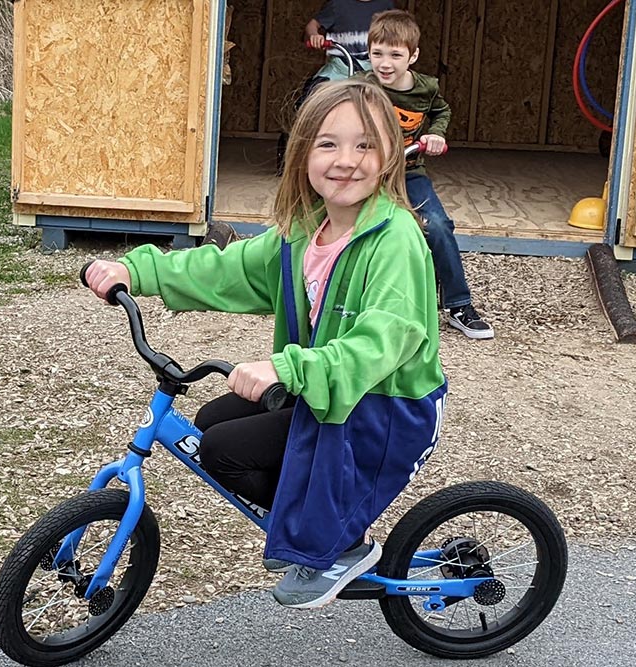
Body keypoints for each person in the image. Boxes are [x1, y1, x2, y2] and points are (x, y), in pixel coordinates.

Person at [84, 78, 447, 609]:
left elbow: (384, 339)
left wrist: (286, 369)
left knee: (223, 451)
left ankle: (337, 543)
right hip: (324, 386)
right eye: (328, 143)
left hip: (382, 405)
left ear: (391, 154)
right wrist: (136, 270)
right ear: (303, 153)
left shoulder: (395, 241)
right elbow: (227, 268)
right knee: (211, 422)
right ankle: (304, 520)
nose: (346, 159)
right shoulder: (304, 232)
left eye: (365, 144)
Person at [365, 9, 495, 339]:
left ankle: (458, 304)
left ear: (413, 55)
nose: (385, 63)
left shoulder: (425, 89)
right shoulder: (363, 88)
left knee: (437, 225)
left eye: (395, 55)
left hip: (409, 172)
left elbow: (442, 110)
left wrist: (436, 134)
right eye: (377, 53)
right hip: (367, 174)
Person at [277, 0, 393, 175]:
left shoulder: (386, 5)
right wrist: (315, 35)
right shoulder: (338, 5)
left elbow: (398, 30)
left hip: (372, 69)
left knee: (389, 105)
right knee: (310, 98)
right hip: (340, 66)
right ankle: (296, 149)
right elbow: (312, 26)